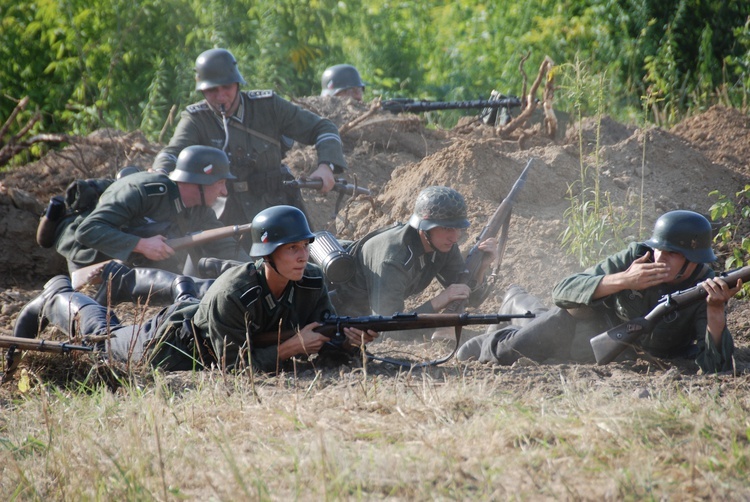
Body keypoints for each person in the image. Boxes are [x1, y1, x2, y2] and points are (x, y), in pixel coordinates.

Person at [13, 206, 377, 374]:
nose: (302, 257)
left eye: (304, 247)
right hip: (165, 347)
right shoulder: (234, 291)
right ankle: (57, 292)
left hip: (207, 340)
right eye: (292, 249)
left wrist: (346, 341)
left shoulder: (310, 280)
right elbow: (232, 365)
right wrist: (292, 348)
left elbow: (325, 329)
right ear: (268, 255)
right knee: (101, 336)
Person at [457, 210, 739, 373]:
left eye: (672, 254)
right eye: (658, 249)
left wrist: (715, 313)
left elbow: (716, 367)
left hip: (611, 353)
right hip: (585, 330)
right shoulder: (636, 258)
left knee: (539, 317)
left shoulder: (706, 288)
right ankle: (489, 339)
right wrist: (624, 280)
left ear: (693, 260)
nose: (659, 258)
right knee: (516, 348)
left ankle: (516, 300)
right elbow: (564, 291)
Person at [152, 48, 348, 230]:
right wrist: (160, 174)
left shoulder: (268, 106)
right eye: (212, 90)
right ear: (202, 91)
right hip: (223, 217)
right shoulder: (196, 119)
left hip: (275, 208)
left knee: (303, 261)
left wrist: (326, 167)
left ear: (237, 84)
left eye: (226, 87)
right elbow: (172, 153)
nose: (221, 96)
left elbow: (323, 128)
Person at [328, 186, 498, 340]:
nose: (455, 237)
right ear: (425, 227)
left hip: (368, 310)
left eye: (458, 228)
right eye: (446, 228)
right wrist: (439, 301)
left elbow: (471, 298)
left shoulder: (443, 245)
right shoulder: (394, 259)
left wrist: (481, 267)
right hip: (336, 309)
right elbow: (388, 330)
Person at [55, 145, 250, 275]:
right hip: (90, 260)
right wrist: (141, 244)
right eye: (220, 183)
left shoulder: (201, 210)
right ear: (200, 182)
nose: (224, 191)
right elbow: (87, 231)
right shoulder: (142, 191)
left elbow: (225, 246)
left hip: (132, 265)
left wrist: (257, 270)